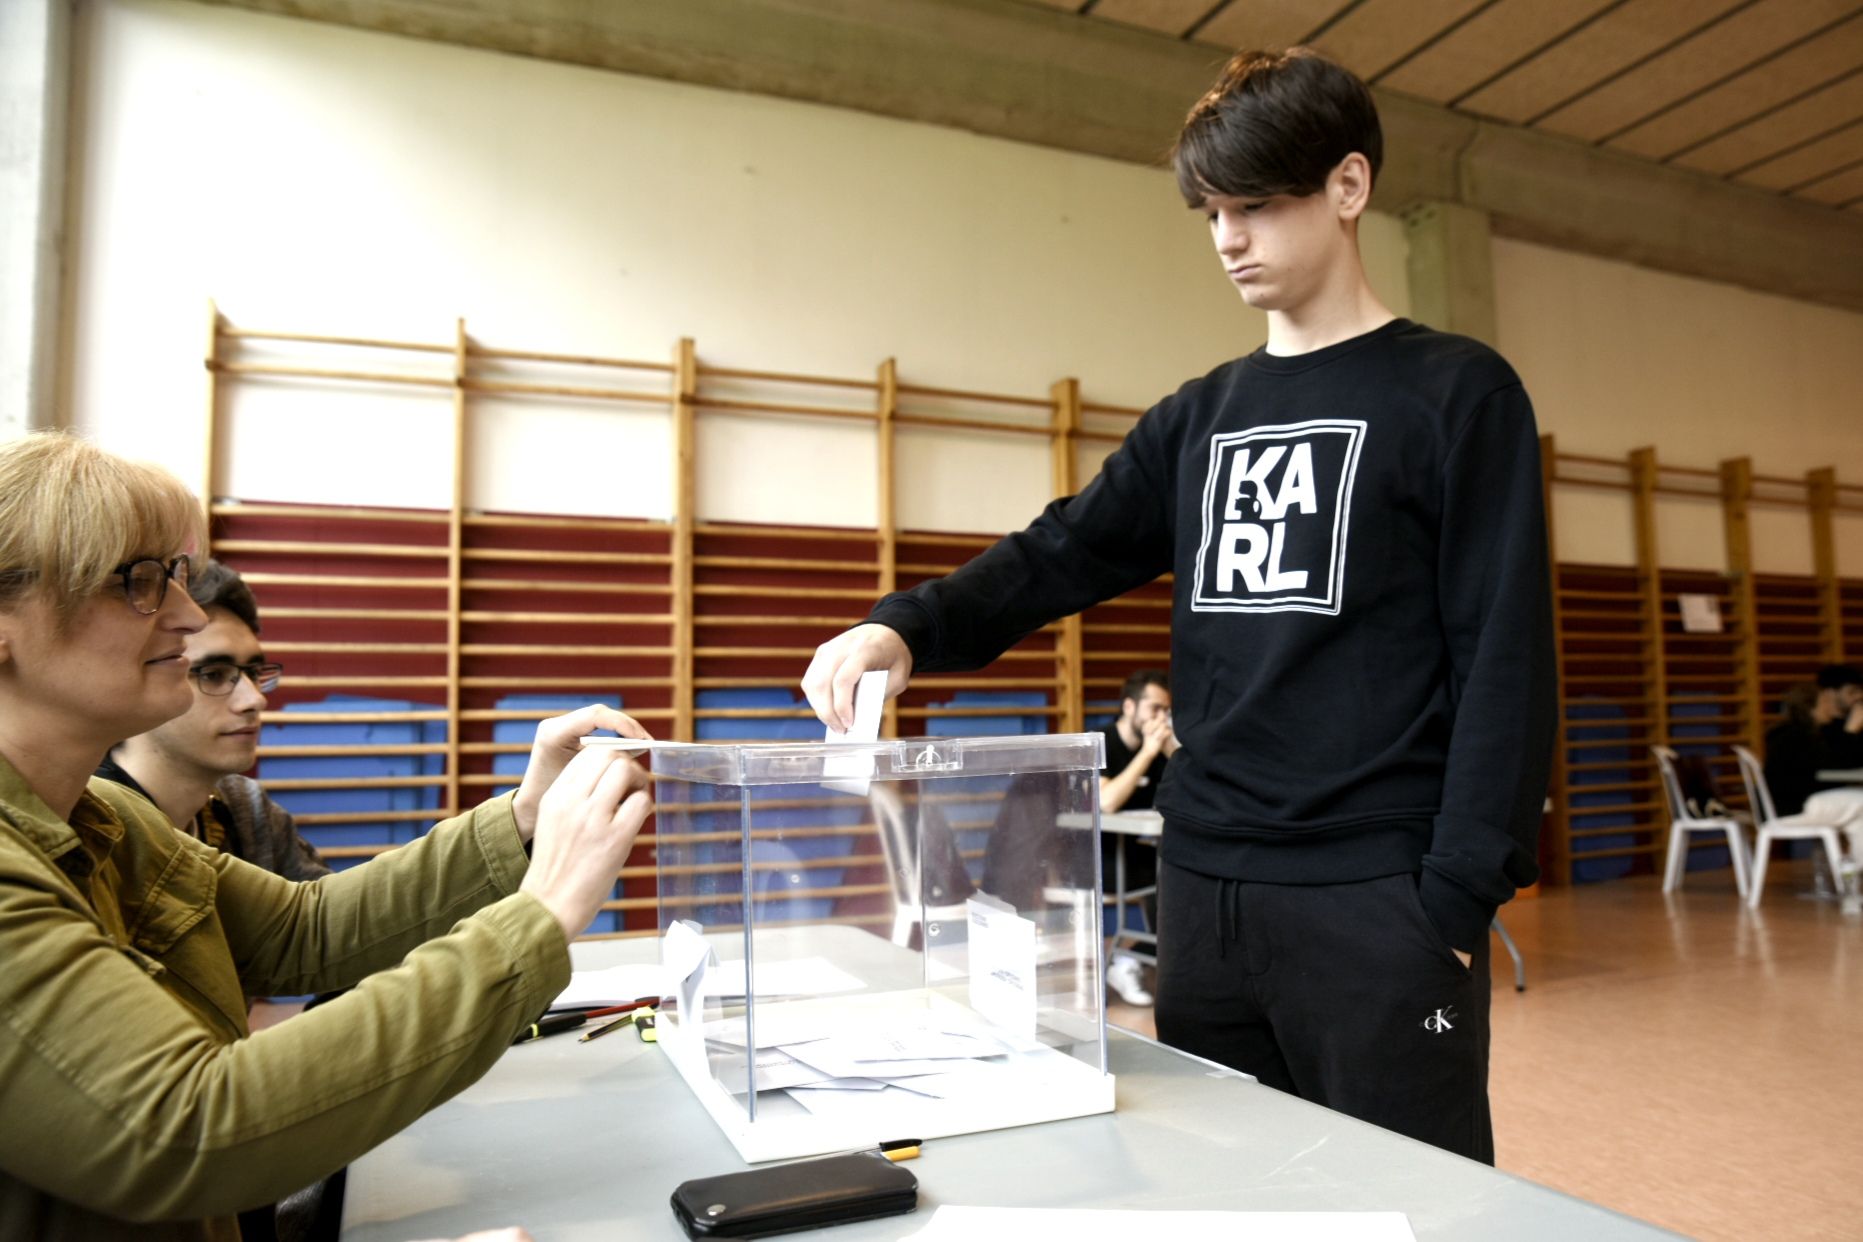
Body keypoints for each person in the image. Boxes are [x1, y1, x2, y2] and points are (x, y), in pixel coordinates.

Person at [803, 47, 1555, 1164]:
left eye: (1257, 205)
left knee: (1415, 1209)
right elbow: (1065, 548)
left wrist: (1452, 899)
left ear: (1348, 186)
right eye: (1212, 212)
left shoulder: (1456, 392)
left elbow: (1504, 656)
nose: (1228, 239)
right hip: (1203, 897)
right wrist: (906, 625)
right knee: (1229, 1199)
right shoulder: (1201, 416)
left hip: (1376, 900)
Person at [0, 431, 654, 1240]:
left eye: (174, 578)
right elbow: (188, 1127)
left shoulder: (103, 815)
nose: (186, 614)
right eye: (138, 582)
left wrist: (523, 815)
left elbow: (304, 927)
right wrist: (543, 910)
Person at [97, 558, 328, 883]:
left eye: (253, 673)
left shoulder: (245, 808)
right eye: (214, 675)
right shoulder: (93, 827)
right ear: (133, 679)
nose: (255, 699)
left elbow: (327, 911)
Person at [1097, 670, 1175, 1007]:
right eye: (1154, 708)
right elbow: (1106, 801)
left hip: (1137, 852)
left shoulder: (1158, 749)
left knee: (1181, 881)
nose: (1161, 718)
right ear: (1129, 706)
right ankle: (1128, 960)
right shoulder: (1100, 741)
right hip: (1095, 856)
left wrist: (1169, 749)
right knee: (1168, 883)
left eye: (1166, 711)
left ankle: (1131, 957)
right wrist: (1148, 752)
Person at [1763, 682, 1863, 832]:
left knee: (1856, 810)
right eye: (1825, 702)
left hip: (1799, 801)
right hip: (1795, 805)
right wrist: (1851, 730)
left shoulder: (1804, 732)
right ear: (1811, 708)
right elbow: (1836, 764)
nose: (1831, 706)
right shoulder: (1795, 737)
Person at [1814, 664, 1863, 770]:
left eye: (1861, 691)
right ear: (1830, 692)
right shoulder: (1818, 727)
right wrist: (1851, 731)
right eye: (1852, 691)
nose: (1859, 696)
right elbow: (1836, 763)